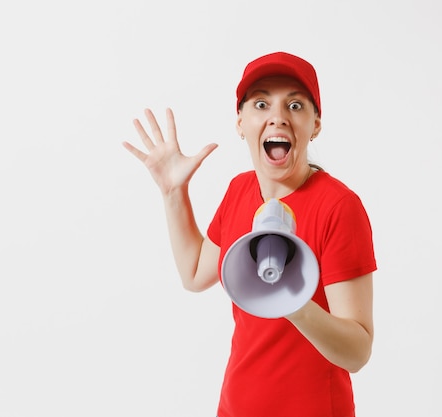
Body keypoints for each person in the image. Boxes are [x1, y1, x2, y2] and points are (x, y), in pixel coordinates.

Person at [123, 51, 377, 417]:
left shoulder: (338, 207)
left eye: (294, 105)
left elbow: (357, 353)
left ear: (315, 124)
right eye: (261, 103)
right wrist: (173, 193)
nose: (278, 117)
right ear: (240, 122)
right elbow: (195, 274)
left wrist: (295, 306)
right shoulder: (239, 190)